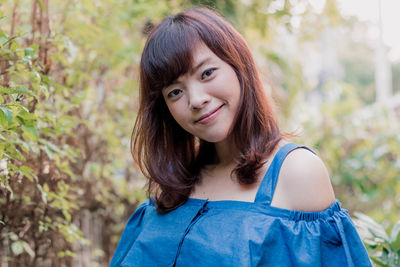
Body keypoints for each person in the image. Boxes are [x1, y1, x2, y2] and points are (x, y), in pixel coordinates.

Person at [110, 7, 371, 267]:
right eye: (175, 92)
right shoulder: (176, 185)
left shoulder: (296, 172)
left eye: (207, 73)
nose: (196, 100)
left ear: (239, 65)